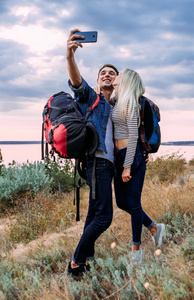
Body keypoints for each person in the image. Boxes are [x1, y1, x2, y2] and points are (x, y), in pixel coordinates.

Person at [66, 29, 119, 276]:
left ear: (118, 81)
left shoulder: (118, 106)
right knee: (104, 218)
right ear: (97, 81)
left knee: (93, 214)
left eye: (112, 73)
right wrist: (69, 57)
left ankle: (84, 262)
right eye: (103, 74)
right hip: (96, 163)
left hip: (107, 165)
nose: (107, 76)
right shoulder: (91, 98)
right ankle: (76, 261)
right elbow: (77, 83)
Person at [111, 69, 165, 264]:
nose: (115, 76)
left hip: (131, 157)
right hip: (118, 156)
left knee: (133, 203)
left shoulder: (131, 103)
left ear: (126, 80)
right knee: (121, 203)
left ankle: (136, 251)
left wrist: (127, 166)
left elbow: (133, 136)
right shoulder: (116, 102)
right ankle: (153, 228)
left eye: (119, 74)